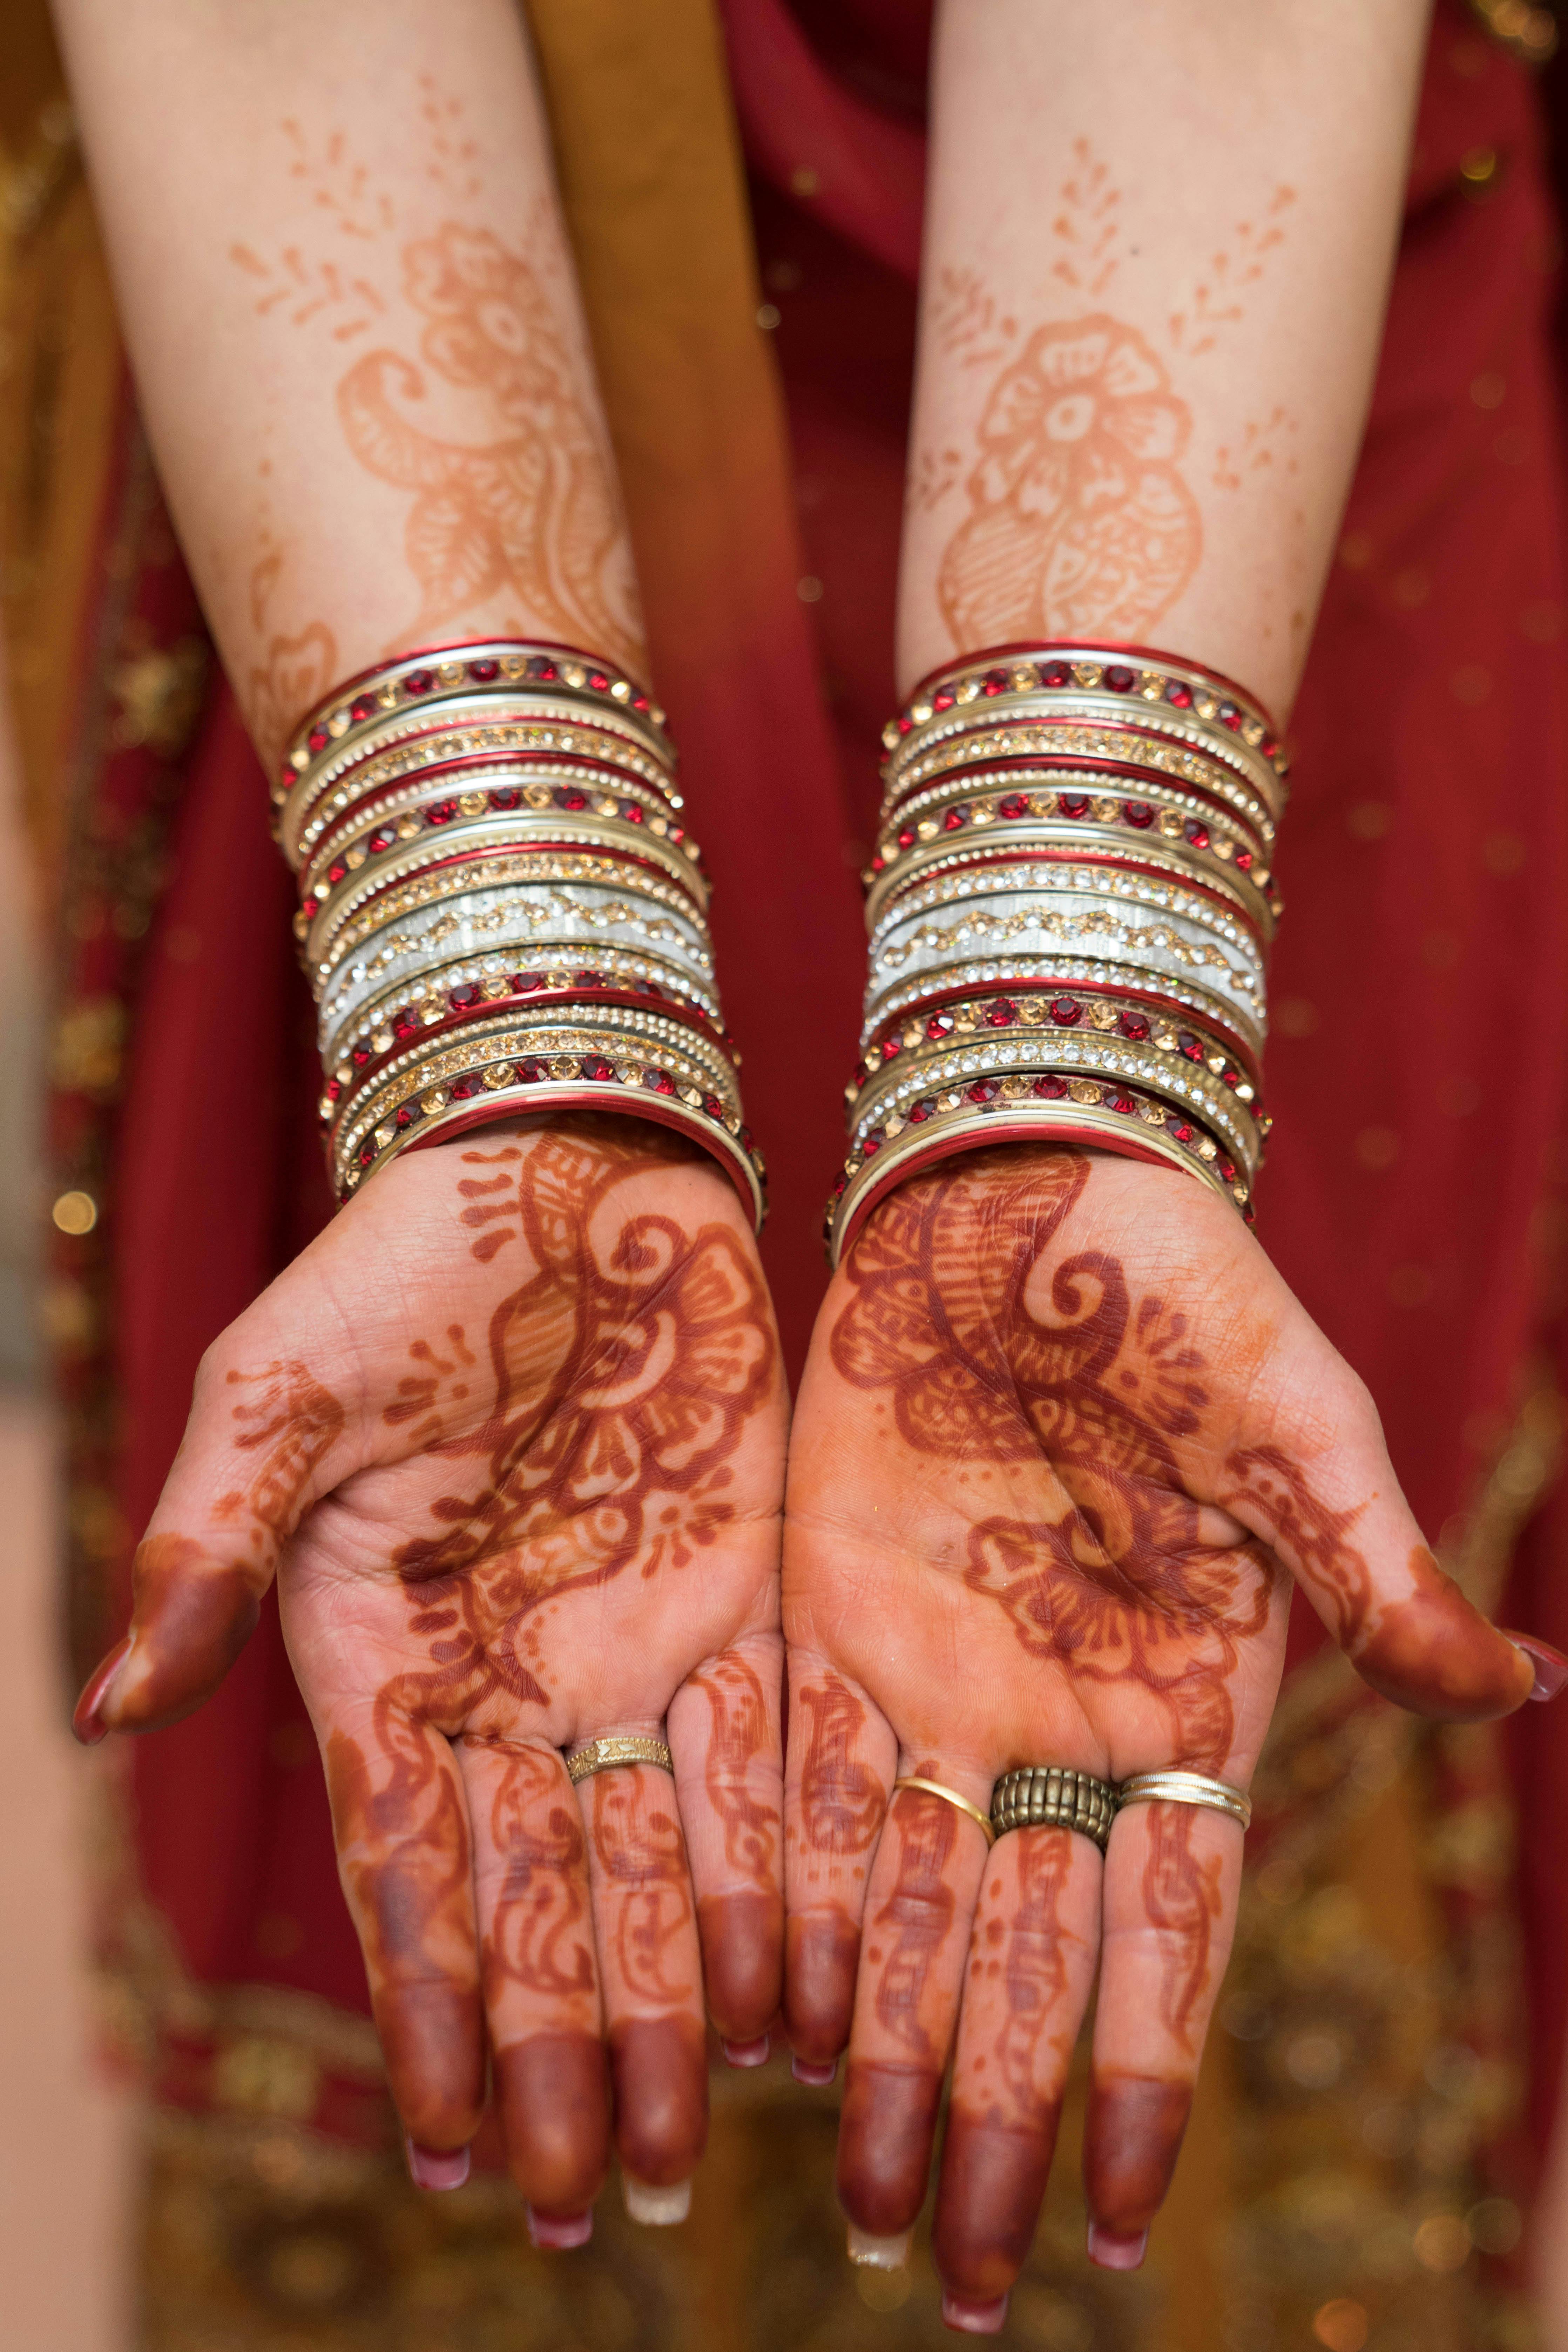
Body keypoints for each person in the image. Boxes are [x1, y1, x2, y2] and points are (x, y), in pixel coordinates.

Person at [18, 0, 1568, 2340]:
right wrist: (512, 997)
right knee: (491, 1760)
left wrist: (1064, 1039)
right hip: (394, 458)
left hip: (1222, 363)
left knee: (1178, 1738)